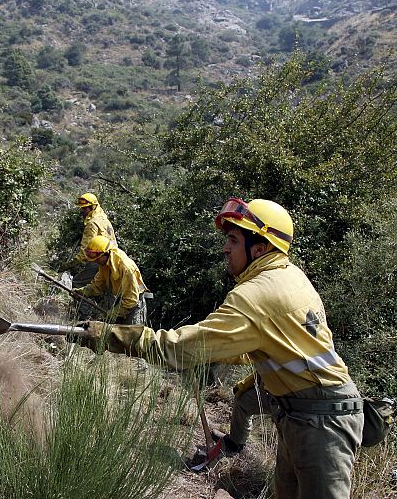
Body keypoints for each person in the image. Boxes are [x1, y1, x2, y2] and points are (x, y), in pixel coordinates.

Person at [78, 197, 364, 499]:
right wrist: (211, 352)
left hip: (321, 423)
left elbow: (180, 349)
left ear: (260, 248)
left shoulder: (255, 296)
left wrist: (109, 336)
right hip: (306, 417)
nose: (225, 248)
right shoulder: (290, 277)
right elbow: (259, 346)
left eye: (233, 239)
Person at [71, 235, 150, 326]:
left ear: (106, 253)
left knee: (131, 336)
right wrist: (82, 292)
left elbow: (131, 300)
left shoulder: (125, 267)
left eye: (97, 258)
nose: (95, 261)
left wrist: (113, 313)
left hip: (134, 304)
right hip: (120, 299)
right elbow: (97, 285)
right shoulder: (104, 264)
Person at [68, 193, 118, 288]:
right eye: (81, 208)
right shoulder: (104, 219)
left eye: (84, 208)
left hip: (99, 259)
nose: (82, 211)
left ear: (92, 207)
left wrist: (71, 264)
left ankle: (83, 303)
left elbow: (85, 251)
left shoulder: (92, 224)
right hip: (113, 259)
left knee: (77, 283)